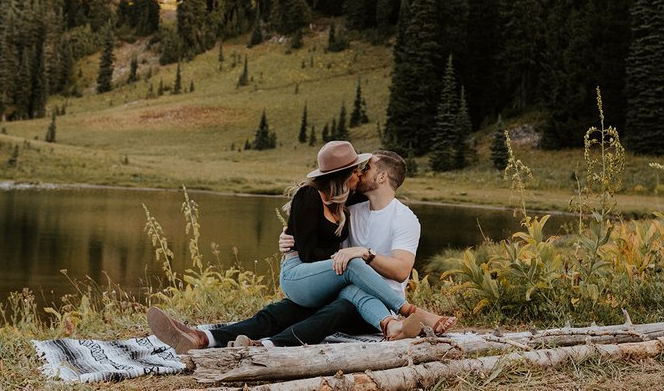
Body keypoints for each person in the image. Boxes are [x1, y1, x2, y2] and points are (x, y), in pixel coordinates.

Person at [148, 146, 455, 351]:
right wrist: (290, 238)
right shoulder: (352, 205)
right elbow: (318, 235)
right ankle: (206, 337)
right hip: (338, 282)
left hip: (373, 304)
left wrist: (365, 252)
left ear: (383, 177)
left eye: (366, 168)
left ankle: (268, 347)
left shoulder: (404, 218)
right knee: (283, 310)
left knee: (342, 299)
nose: (359, 172)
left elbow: (401, 270)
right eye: (356, 168)